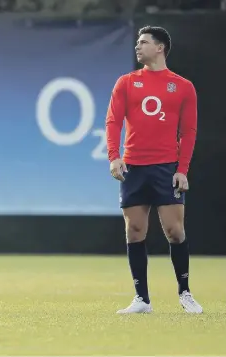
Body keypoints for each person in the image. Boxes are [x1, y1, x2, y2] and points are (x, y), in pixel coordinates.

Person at [106, 26, 202, 314]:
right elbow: (113, 122)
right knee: (135, 230)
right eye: (137, 42)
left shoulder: (183, 86)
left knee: (174, 230)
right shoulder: (126, 82)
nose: (138, 47)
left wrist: (182, 169)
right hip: (134, 166)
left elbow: (189, 131)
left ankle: (185, 292)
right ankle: (141, 299)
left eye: (144, 42)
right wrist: (114, 156)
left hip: (166, 167)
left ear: (160, 48)